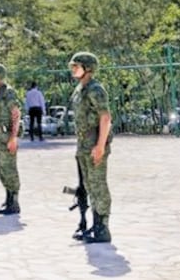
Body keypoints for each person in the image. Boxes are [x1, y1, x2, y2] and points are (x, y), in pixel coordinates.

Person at [69, 52, 113, 243]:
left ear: (88, 69)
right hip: (84, 144)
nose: (73, 69)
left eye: (76, 66)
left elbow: (105, 118)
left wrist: (100, 146)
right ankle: (95, 225)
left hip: (95, 144)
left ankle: (102, 229)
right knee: (88, 186)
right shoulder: (80, 89)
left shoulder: (96, 89)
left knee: (98, 186)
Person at [0, 63, 21, 215]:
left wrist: (13, 138)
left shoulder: (9, 93)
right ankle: (7, 200)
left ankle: (14, 202)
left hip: (7, 135)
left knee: (9, 168)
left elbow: (16, 115)